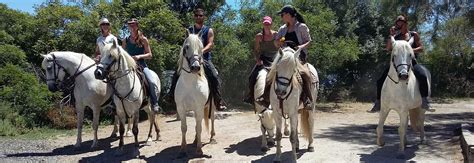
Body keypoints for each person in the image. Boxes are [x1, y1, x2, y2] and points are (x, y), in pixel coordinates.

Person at [367, 14, 434, 113]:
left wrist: (410, 50)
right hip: (397, 64)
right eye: (397, 23)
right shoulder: (396, 37)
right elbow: (389, 48)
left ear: (406, 24)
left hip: (411, 62)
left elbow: (421, 48)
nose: (399, 25)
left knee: (423, 76)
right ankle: (378, 102)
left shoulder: (413, 34)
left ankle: (425, 101)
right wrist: (391, 35)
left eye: (401, 23)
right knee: (380, 80)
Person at [167, 8, 227, 111]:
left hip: (205, 59)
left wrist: (201, 52)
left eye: (200, 15)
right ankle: (171, 96)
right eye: (196, 15)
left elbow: (210, 44)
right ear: (194, 17)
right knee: (176, 73)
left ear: (204, 17)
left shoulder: (208, 30)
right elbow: (186, 45)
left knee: (214, 76)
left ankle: (218, 100)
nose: (198, 17)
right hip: (190, 59)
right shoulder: (189, 30)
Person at [256, 5, 314, 109]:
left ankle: (307, 99)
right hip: (284, 56)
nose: (281, 17)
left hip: (298, 55)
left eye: (282, 15)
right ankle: (265, 97)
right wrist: (278, 42)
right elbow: (276, 43)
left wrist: (301, 47)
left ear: (288, 15)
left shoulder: (302, 27)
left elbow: (309, 41)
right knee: (270, 72)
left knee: (306, 74)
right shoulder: (282, 29)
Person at [122, 18, 161, 113]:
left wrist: (139, 56)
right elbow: (122, 54)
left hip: (141, 65)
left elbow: (150, 55)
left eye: (134, 24)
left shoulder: (143, 39)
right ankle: (115, 105)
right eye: (130, 25)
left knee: (151, 81)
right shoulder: (125, 40)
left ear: (137, 26)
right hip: (128, 66)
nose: (132, 26)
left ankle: (155, 103)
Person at [243, 16, 279, 104]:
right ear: (262, 24)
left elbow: (280, 46)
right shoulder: (259, 36)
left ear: (271, 24)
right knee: (252, 76)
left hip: (275, 58)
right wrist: (258, 60)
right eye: (265, 23)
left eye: (268, 24)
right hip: (264, 59)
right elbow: (256, 50)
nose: (267, 25)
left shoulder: (276, 34)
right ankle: (251, 96)